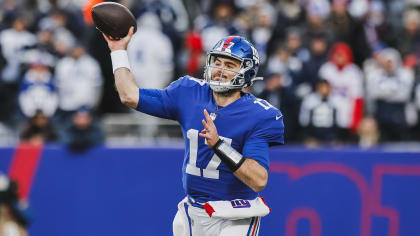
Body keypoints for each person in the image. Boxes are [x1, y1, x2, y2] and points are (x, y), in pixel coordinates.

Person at [102, 28, 284, 235]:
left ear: (247, 72)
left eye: (229, 65)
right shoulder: (188, 92)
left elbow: (259, 180)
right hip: (192, 211)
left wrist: (219, 146)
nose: (220, 70)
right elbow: (128, 95)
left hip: (235, 215)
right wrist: (117, 51)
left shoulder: (259, 114)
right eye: (217, 62)